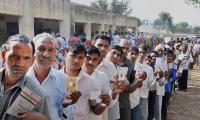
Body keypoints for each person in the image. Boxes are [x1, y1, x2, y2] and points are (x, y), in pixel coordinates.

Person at [26, 33, 81, 120]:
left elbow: (71, 115)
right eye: (41, 49)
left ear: (55, 53)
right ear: (33, 52)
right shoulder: (21, 78)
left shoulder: (69, 80)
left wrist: (65, 105)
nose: (46, 54)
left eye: (51, 50)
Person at [0, 34, 52, 120]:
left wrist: (41, 118)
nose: (20, 63)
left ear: (32, 60)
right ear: (3, 55)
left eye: (26, 58)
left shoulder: (39, 95)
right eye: (14, 56)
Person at [62, 43, 102, 120]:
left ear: (84, 59)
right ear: (65, 54)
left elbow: (95, 107)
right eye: (73, 56)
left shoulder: (92, 82)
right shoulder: (54, 78)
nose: (76, 60)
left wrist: (104, 103)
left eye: (80, 57)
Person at [82, 46, 112, 120]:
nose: (90, 62)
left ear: (98, 61)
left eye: (94, 59)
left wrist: (107, 99)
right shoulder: (74, 75)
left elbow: (107, 96)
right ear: (83, 58)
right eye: (88, 58)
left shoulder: (102, 76)